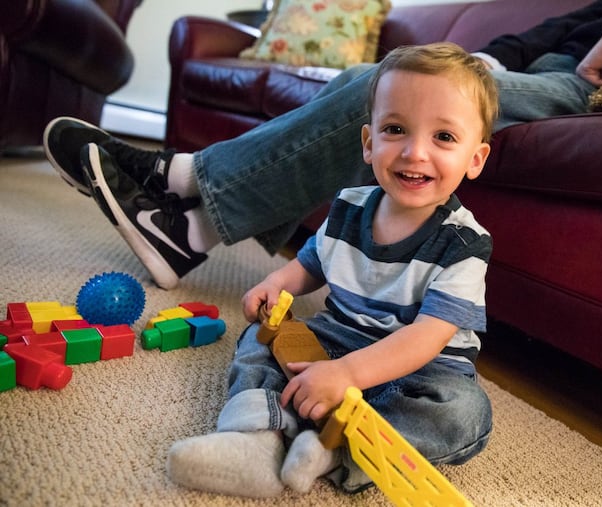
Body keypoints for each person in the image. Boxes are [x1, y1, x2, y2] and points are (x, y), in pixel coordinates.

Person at [43, 0, 602, 289]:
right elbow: (536, 36)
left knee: (390, 87)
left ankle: (182, 179)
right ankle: (190, 227)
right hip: (537, 68)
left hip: (599, 88)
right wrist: (483, 60)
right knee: (370, 75)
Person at [156, 41, 497, 499]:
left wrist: (351, 375)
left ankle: (331, 453)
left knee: (465, 413)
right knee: (260, 341)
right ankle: (257, 438)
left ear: (475, 159)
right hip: (340, 338)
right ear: (368, 142)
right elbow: (313, 262)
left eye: (444, 138)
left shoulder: (464, 245)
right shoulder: (349, 206)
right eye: (396, 129)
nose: (416, 153)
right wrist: (279, 284)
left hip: (423, 370)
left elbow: (426, 338)